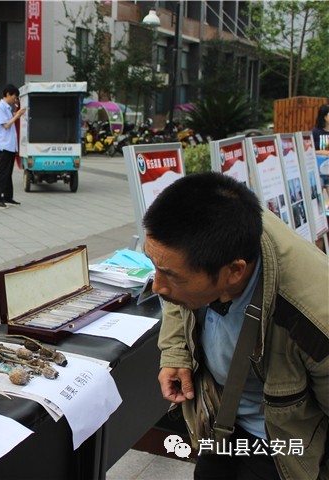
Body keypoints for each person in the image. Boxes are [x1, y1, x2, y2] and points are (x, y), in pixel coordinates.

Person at [143, 172, 328, 479]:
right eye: (155, 266)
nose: (156, 286)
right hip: (223, 421)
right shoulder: (206, 232)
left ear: (234, 272)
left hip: (282, 445)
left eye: (171, 275)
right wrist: (176, 353)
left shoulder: (313, 319)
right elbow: (174, 292)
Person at [0, 84, 25, 209]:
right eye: (14, 97)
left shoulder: (6, 108)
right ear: (8, 95)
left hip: (10, 145)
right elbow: (5, 125)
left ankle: (7, 197)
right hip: (4, 145)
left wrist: (15, 114)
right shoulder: (0, 107)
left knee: (8, 172)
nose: (15, 100)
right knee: (3, 172)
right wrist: (17, 116)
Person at [312, 103, 329, 202]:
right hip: (318, 171)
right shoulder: (315, 132)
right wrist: (322, 152)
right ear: (324, 117)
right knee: (318, 201)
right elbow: (310, 151)